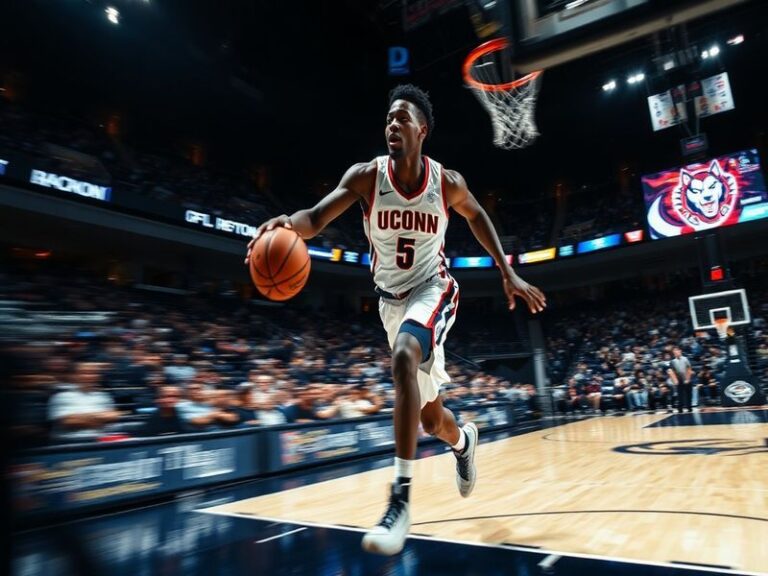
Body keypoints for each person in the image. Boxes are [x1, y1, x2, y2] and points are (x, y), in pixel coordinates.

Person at [246, 84, 546, 555]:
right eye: (388, 119)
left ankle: (400, 500)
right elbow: (316, 219)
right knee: (431, 421)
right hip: (390, 304)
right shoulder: (368, 177)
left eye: (401, 119)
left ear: (421, 130)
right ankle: (463, 440)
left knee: (405, 356)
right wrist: (286, 222)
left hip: (434, 288)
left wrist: (507, 272)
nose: (391, 125)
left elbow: (478, 215)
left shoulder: (446, 183)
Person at [669, 346, 693, 413]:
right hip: (679, 379)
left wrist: (688, 379)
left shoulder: (685, 359)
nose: (676, 353)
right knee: (680, 395)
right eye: (674, 352)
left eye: (677, 351)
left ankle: (689, 407)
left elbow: (689, 369)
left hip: (687, 378)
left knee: (689, 394)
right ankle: (680, 408)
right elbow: (671, 371)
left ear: (680, 351)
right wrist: (675, 381)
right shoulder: (672, 361)